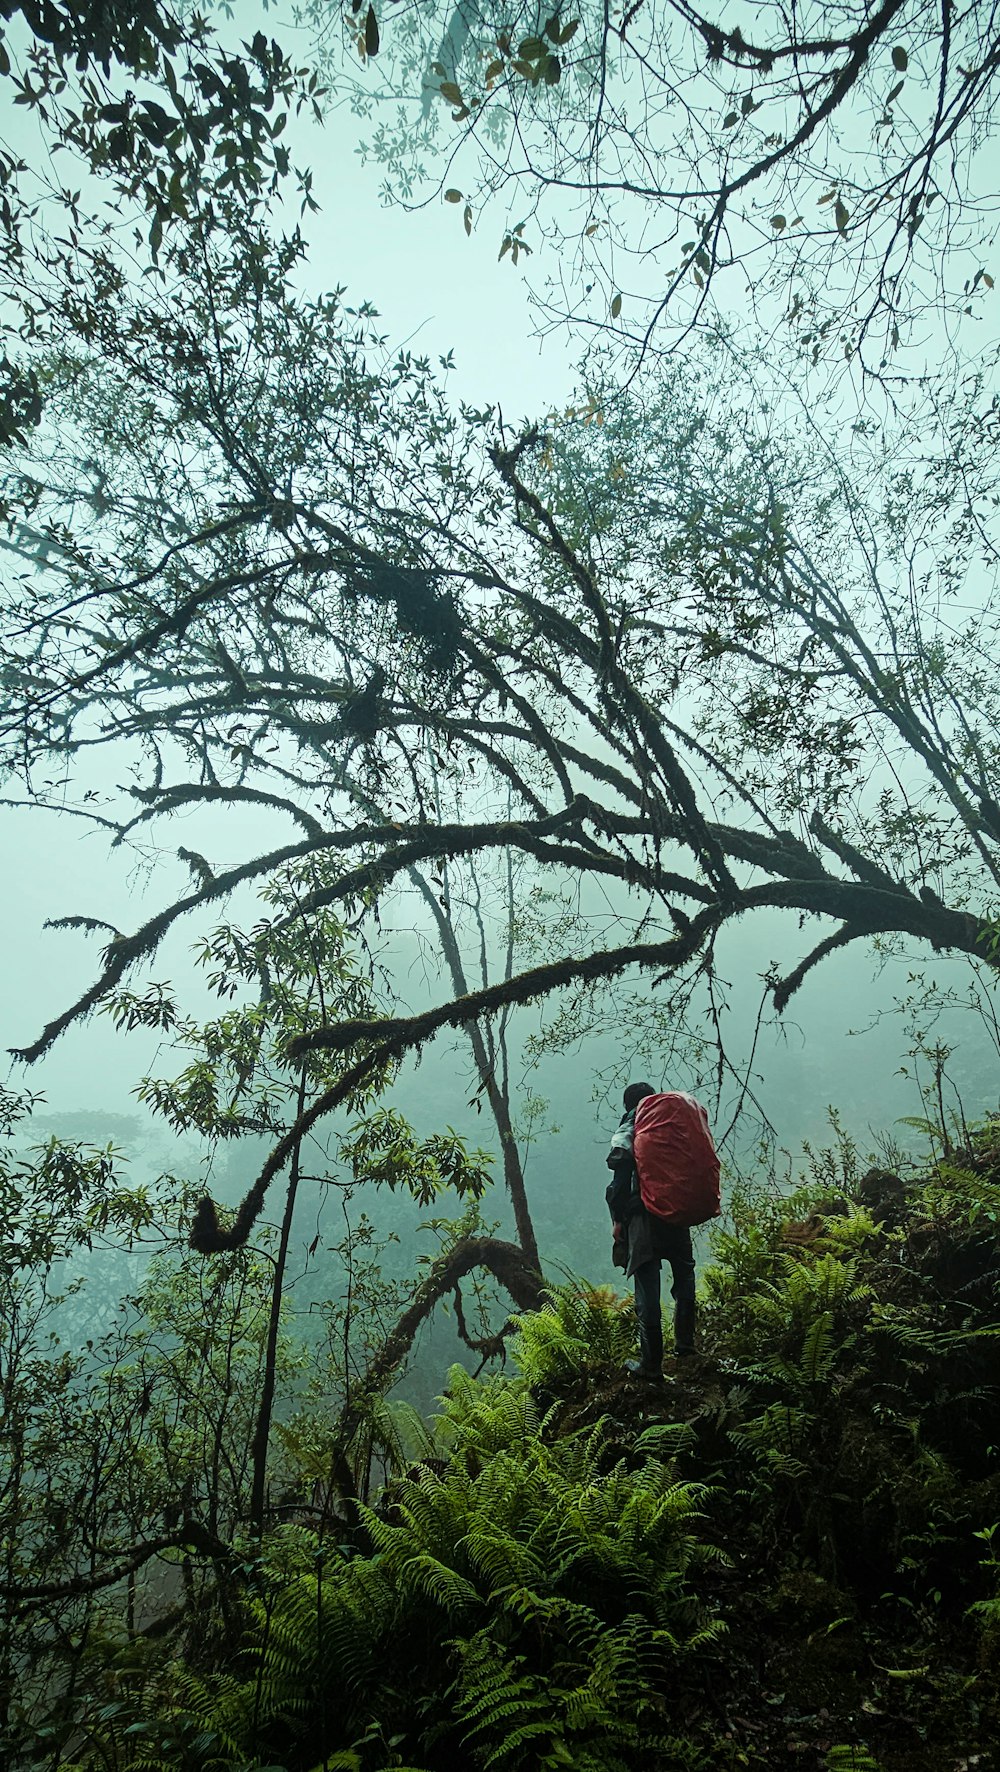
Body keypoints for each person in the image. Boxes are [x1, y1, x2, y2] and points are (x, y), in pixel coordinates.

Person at [606, 1081, 698, 1377]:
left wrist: (618, 1220)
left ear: (628, 1103)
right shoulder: (671, 1123)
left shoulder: (633, 1123)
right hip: (677, 1209)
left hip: (644, 1216)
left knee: (648, 1288)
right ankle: (686, 1345)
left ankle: (651, 1364)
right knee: (684, 1275)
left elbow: (620, 1178)